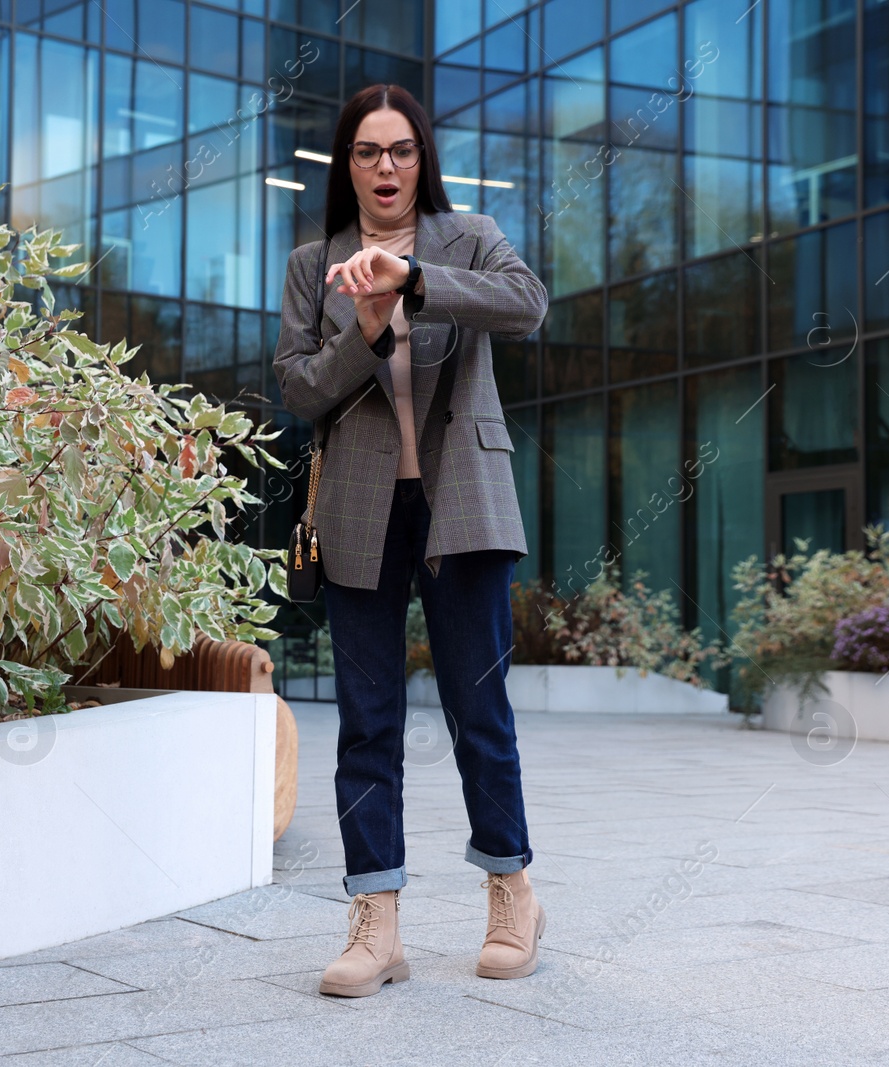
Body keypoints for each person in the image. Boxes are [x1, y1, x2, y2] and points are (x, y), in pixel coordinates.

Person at [272, 83, 550, 998]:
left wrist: (415, 285)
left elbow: (526, 304)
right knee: (367, 721)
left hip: (462, 500)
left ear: (422, 159)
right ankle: (375, 918)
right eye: (366, 152)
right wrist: (364, 330)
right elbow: (302, 389)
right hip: (361, 508)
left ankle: (511, 890)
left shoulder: (467, 238)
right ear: (345, 165)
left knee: (480, 713)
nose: (385, 168)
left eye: (400, 151)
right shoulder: (317, 264)